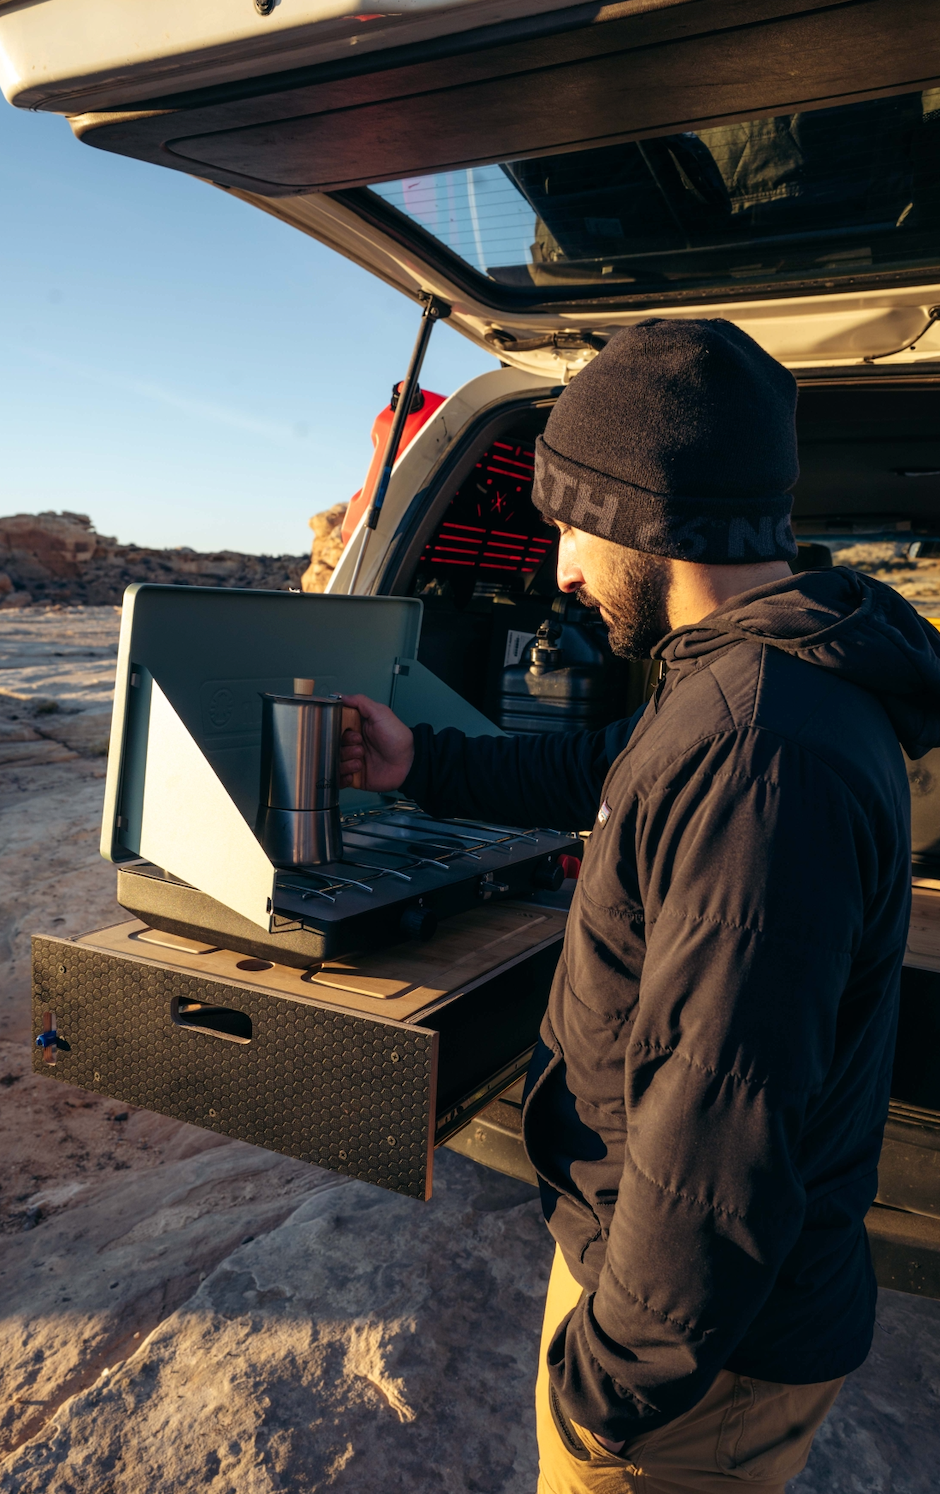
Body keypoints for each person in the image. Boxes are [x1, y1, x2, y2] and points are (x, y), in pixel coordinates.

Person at [340, 319, 940, 1494]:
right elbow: (603, 769)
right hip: (688, 1316)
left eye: (570, 523)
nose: (560, 566)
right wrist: (425, 766)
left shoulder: (759, 754)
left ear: (642, 513)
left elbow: (719, 1127)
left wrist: (609, 1390)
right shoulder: (750, 683)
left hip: (694, 1370)